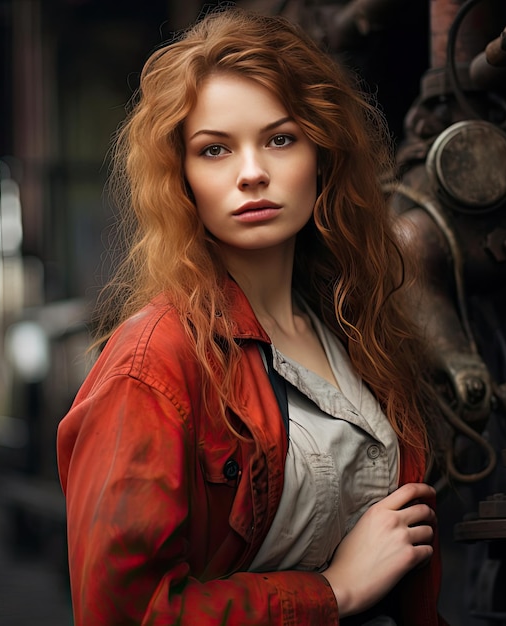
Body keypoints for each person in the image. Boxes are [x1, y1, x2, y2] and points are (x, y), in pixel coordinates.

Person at [57, 7, 447, 626]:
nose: (252, 173)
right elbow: (125, 613)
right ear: (181, 177)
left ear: (321, 154)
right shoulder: (152, 363)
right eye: (215, 150)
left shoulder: (354, 328)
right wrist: (334, 591)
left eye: (280, 138)